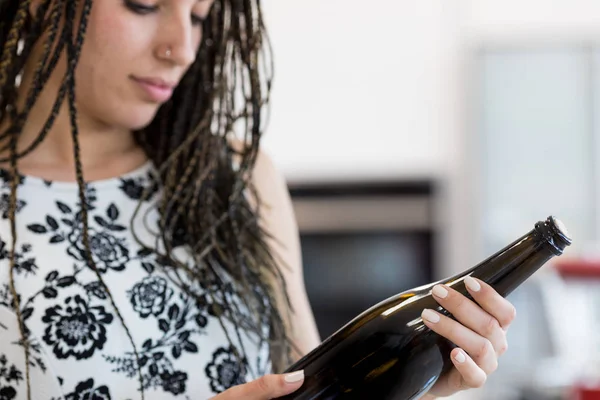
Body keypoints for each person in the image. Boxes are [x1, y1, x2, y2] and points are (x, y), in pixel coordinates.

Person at [0, 0, 517, 399]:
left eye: (201, 16)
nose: (180, 47)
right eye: (144, 5)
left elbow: (312, 386)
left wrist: (414, 382)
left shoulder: (237, 178)